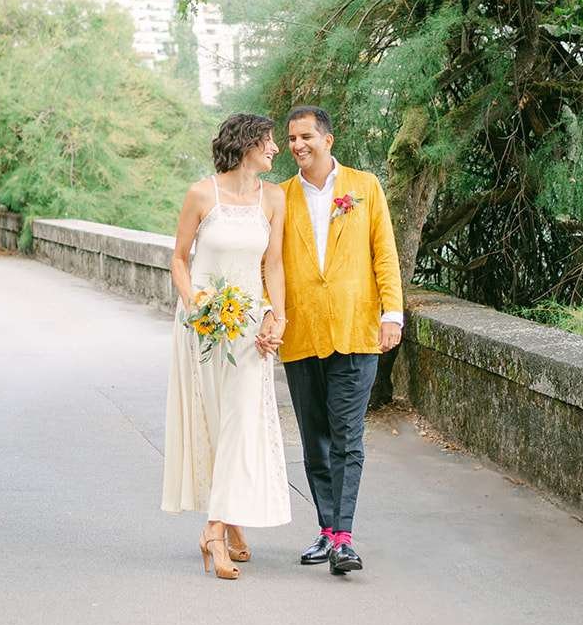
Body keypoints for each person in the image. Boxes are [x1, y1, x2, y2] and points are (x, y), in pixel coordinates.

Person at [261, 105, 403, 575]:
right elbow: (269, 265)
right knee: (314, 439)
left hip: (356, 329)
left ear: (328, 139)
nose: (297, 145)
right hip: (301, 334)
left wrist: (392, 314)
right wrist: (271, 313)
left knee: (348, 436)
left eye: (306, 137)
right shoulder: (280, 197)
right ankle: (326, 530)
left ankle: (344, 537)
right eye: (292, 138)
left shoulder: (364, 187)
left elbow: (384, 252)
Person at [161, 113, 291, 579]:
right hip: (201, 325)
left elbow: (272, 266)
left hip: (249, 327)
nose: (276, 149)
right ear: (245, 145)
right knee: (217, 424)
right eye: (269, 141)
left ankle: (213, 531)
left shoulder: (273, 198)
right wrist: (195, 302)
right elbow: (178, 259)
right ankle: (232, 523)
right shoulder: (201, 194)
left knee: (241, 421)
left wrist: (278, 314)